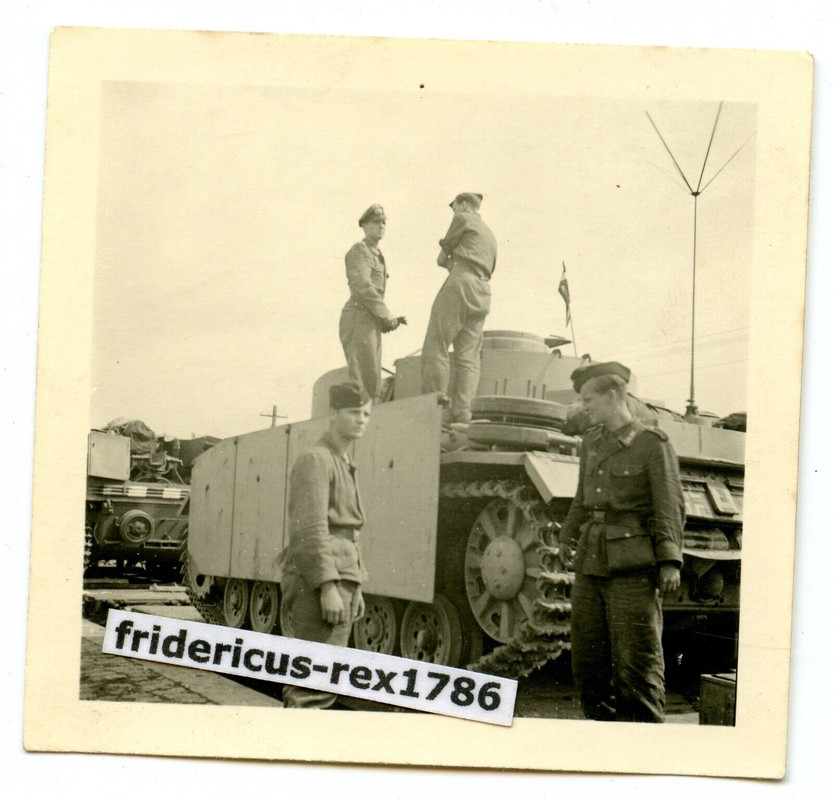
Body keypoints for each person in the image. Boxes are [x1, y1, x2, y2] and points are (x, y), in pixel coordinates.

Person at [556, 361, 685, 723]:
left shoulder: (651, 444)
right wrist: (567, 536)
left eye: (588, 399)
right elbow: (582, 498)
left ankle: (642, 741)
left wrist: (670, 560)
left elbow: (669, 504)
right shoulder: (591, 441)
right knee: (588, 663)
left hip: (633, 567)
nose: (583, 407)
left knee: (636, 664)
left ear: (613, 396)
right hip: (590, 563)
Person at [279, 380, 371, 709]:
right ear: (333, 414)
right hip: (318, 580)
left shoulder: (341, 461)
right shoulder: (316, 460)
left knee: (324, 678)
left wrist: (355, 584)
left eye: (366, 414)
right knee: (313, 685)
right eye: (353, 412)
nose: (361, 419)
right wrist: (328, 586)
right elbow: (311, 529)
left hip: (340, 576)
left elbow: (347, 534)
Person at [421, 192, 497, 423]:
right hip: (482, 292)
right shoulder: (490, 234)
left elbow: (441, 258)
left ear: (463, 205)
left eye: (454, 207)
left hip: (461, 283)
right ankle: (463, 413)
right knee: (469, 356)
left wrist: (451, 260)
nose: (454, 212)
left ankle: (436, 407)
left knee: (436, 344)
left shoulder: (463, 218)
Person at [339, 204, 405, 403]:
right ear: (364, 226)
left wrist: (385, 320)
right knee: (363, 381)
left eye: (384, 222)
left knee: (372, 381)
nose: (381, 226)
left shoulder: (377, 254)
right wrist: (385, 315)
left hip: (370, 321)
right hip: (359, 318)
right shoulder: (360, 251)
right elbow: (362, 287)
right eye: (376, 222)